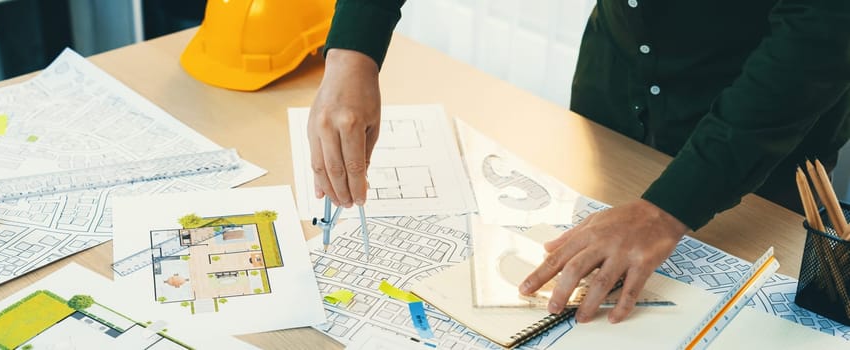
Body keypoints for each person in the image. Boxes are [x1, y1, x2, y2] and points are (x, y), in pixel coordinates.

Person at [307, 0, 850, 324]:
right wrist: (353, 49)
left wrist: (668, 208)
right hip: (615, 91)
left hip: (759, 130)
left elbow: (817, 39)